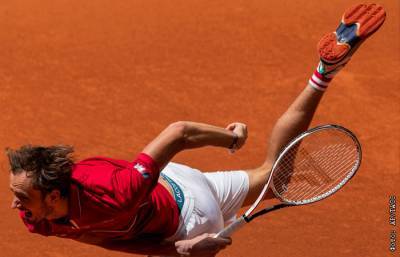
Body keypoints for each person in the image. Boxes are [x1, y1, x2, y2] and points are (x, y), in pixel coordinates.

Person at [7, 3, 385, 257]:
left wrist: (232, 140)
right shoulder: (38, 216)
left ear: (53, 197)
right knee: (271, 179)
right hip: (176, 183)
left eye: (22, 196)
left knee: (269, 183)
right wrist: (173, 252)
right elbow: (100, 237)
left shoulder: (115, 195)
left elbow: (179, 132)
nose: (14, 205)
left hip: (190, 216)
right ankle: (324, 74)